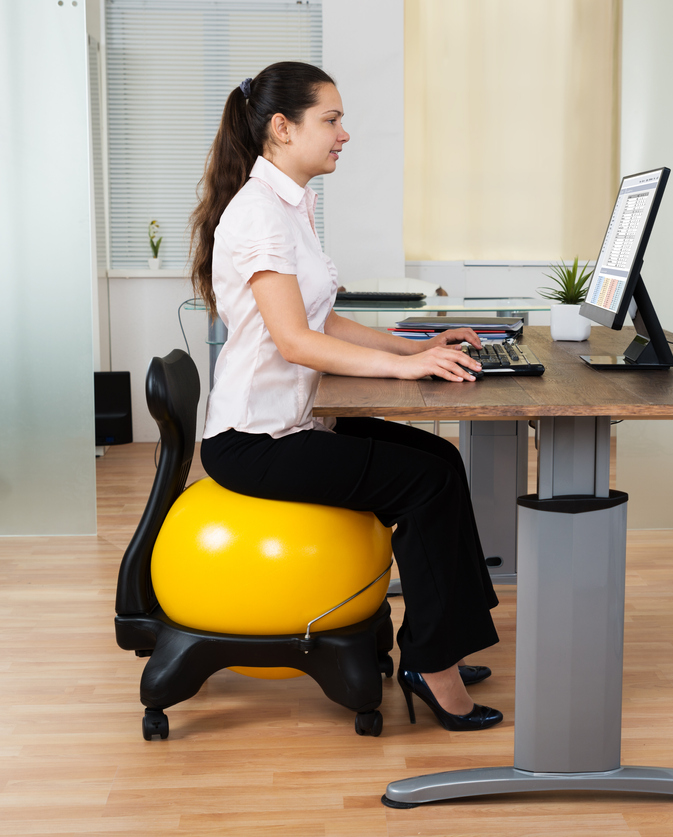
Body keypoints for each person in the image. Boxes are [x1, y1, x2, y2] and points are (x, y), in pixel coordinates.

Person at [188, 62, 502, 731]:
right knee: (424, 482)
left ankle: (445, 638)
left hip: (289, 424)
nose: (344, 134)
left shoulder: (288, 206)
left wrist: (416, 347)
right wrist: (403, 373)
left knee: (439, 463)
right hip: (255, 443)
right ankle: (431, 664)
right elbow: (297, 341)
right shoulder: (260, 216)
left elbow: (325, 320)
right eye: (330, 119)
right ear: (282, 127)